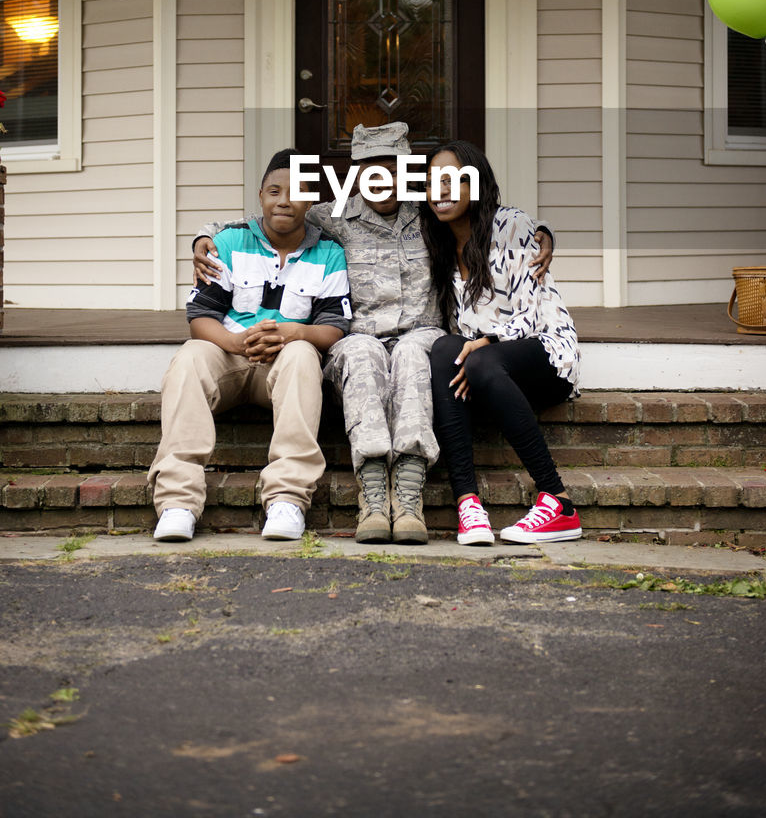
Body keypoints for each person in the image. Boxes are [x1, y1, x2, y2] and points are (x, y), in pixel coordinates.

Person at [194, 123, 554, 545]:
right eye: (370, 170)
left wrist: (542, 231)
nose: (381, 180)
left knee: (414, 353)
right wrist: (205, 235)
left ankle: (409, 492)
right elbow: (276, 213)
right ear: (356, 175)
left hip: (422, 333)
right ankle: (373, 492)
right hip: (358, 336)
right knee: (363, 353)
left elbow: (489, 214)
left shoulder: (429, 212)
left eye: (392, 169)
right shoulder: (335, 216)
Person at [149, 149, 351, 543]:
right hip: (228, 358)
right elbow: (200, 318)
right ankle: (177, 502)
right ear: (260, 196)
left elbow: (333, 329)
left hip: (282, 368)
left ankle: (287, 498)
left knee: (303, 354)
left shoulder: (329, 253)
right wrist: (236, 342)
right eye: (274, 191)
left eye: (297, 192)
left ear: (312, 201)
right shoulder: (228, 242)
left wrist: (295, 333)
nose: (284, 200)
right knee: (191, 356)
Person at [420, 140, 582, 546]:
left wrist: (486, 342)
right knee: (443, 350)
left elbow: (528, 313)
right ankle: (468, 505)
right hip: (488, 365)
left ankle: (558, 502)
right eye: (431, 182)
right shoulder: (436, 241)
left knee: (477, 361)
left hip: (544, 352)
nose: (440, 191)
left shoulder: (513, 224)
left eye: (452, 180)